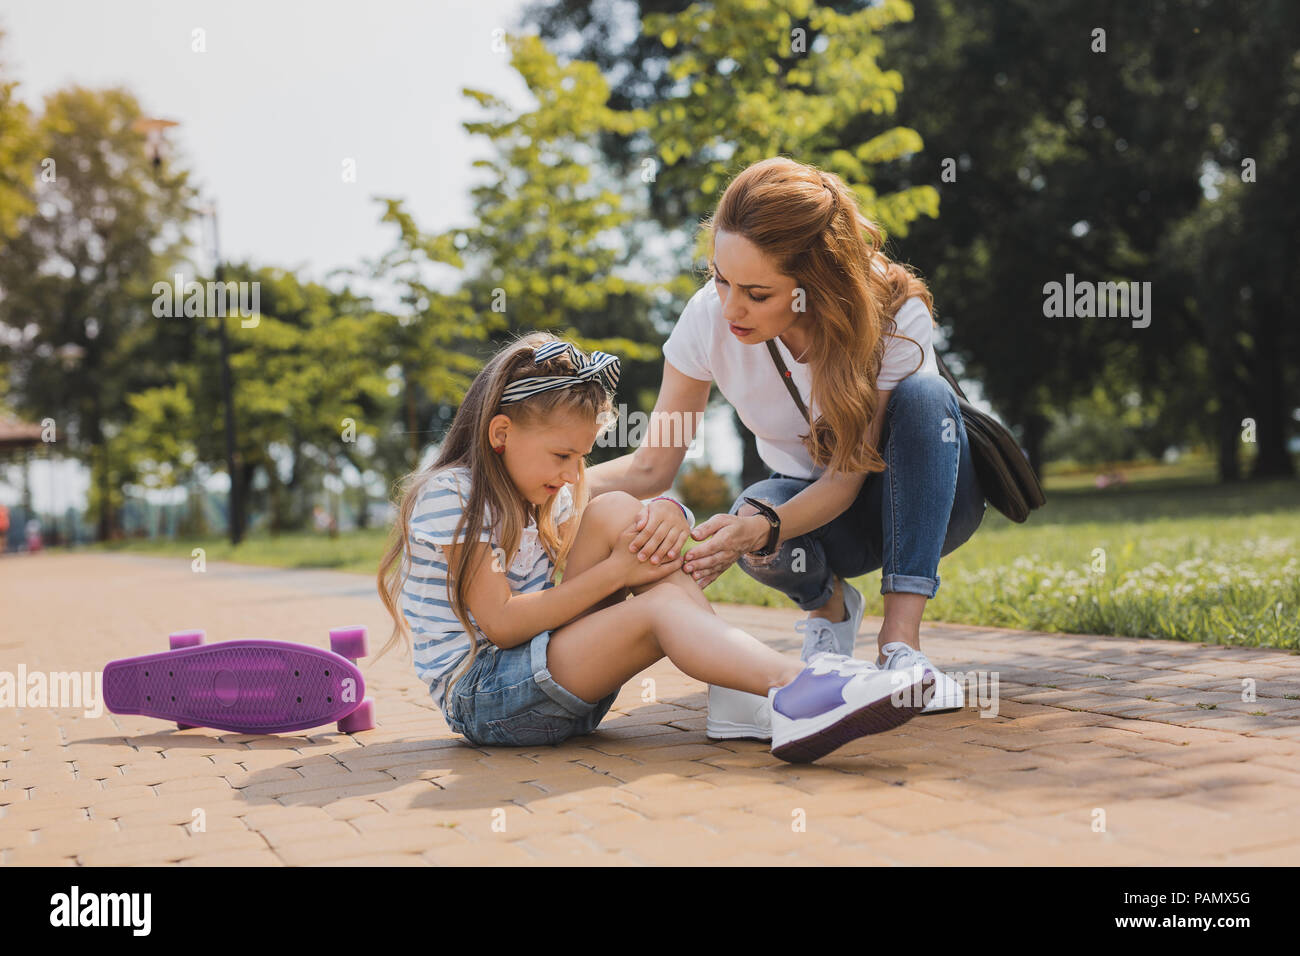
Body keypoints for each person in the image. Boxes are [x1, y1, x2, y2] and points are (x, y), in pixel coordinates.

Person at [376, 332, 931, 764]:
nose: (574, 474)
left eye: (583, 457)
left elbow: (634, 496)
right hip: (487, 699)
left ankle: (741, 694)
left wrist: (671, 512)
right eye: (562, 455)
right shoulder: (454, 495)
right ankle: (796, 687)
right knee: (657, 605)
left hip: (554, 682)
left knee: (619, 510)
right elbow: (502, 625)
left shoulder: (544, 491)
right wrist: (618, 572)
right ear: (501, 434)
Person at [584, 157, 987, 740]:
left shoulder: (894, 311)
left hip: (927, 502)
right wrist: (527, 487)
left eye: (756, 292)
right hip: (821, 520)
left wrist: (759, 528)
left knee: (925, 398)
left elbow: (846, 483)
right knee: (753, 511)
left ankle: (903, 648)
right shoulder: (707, 319)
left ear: (816, 285)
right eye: (720, 278)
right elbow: (654, 462)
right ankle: (829, 614)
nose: (730, 308)